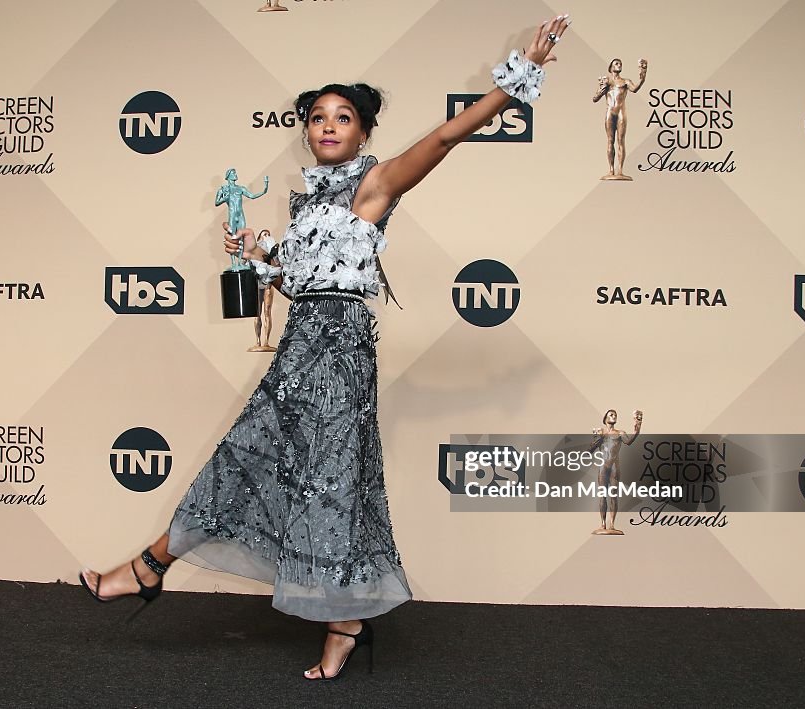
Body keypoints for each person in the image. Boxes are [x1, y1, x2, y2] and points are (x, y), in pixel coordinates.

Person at [80, 14, 571, 680]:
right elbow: (301, 286)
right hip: (299, 349)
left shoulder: (374, 187)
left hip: (339, 354)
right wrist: (263, 258)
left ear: (365, 131)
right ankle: (178, 576)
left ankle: (172, 576)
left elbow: (449, 134)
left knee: (332, 486)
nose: (329, 125)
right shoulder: (307, 207)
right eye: (317, 117)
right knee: (245, 462)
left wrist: (519, 75)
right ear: (307, 132)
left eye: (343, 116)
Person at [592, 57, 647, 180]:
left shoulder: (625, 82)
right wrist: (602, 88)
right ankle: (611, 169)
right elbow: (595, 99)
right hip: (610, 112)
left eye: (620, 64)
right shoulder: (607, 81)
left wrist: (642, 77)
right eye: (616, 64)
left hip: (621, 112)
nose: (619, 65)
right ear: (611, 67)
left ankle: (620, 170)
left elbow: (635, 89)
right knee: (610, 141)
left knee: (621, 141)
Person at [590, 409, 642, 534]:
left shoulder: (620, 433)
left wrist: (637, 429)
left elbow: (628, 441)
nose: (614, 416)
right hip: (603, 466)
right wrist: (597, 438)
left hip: (614, 466)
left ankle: (612, 524)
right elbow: (589, 451)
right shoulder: (600, 432)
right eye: (611, 415)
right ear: (605, 418)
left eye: (615, 415)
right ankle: (603, 524)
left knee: (613, 495)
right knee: (603, 494)